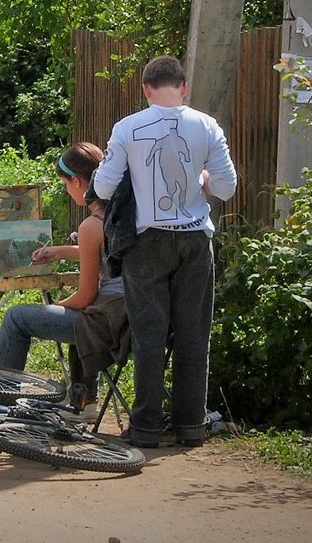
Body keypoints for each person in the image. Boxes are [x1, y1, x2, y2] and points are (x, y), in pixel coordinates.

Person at [90, 55, 237, 448]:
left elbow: (102, 188)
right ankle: (190, 426)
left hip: (147, 241)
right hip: (195, 240)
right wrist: (203, 178)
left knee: (148, 334)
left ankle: (146, 428)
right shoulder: (208, 126)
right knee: (193, 334)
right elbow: (226, 187)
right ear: (185, 87)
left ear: (145, 90)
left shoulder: (128, 127)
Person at [0, 142, 127, 417]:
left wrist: (59, 306)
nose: (66, 189)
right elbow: (110, 253)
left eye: (65, 183)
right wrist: (62, 252)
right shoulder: (126, 213)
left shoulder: (91, 226)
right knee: (81, 314)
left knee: (17, 318)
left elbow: (85, 296)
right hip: (139, 316)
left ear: (77, 182)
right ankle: (84, 400)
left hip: (112, 323)